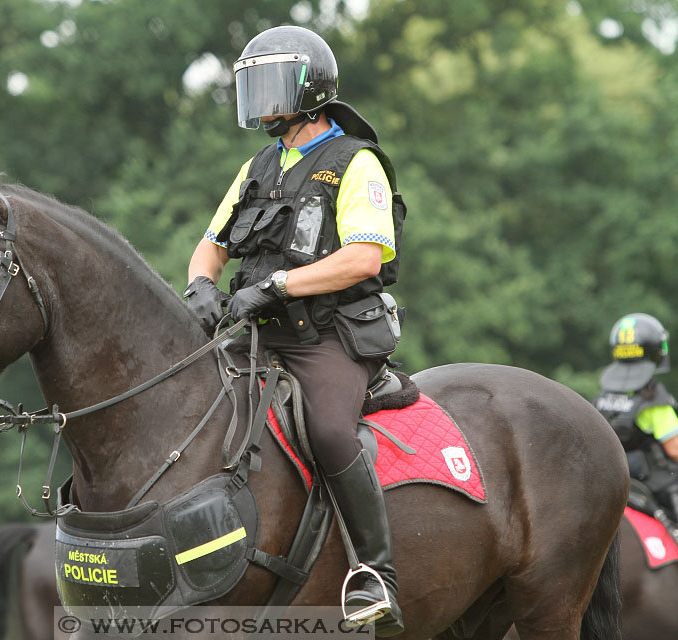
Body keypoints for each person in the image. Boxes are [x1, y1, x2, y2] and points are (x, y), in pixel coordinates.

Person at [182, 25, 405, 635]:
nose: (258, 102)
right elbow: (210, 247)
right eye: (251, 88)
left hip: (328, 338)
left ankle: (375, 575)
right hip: (259, 334)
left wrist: (276, 286)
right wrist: (202, 285)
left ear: (310, 91)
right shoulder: (259, 165)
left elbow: (365, 257)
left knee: (331, 431)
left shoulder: (356, 163)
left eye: (269, 87)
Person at [593, 313, 678, 523]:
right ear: (655, 351)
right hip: (657, 482)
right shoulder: (653, 397)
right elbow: (675, 449)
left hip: (614, 480)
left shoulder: (602, 397)